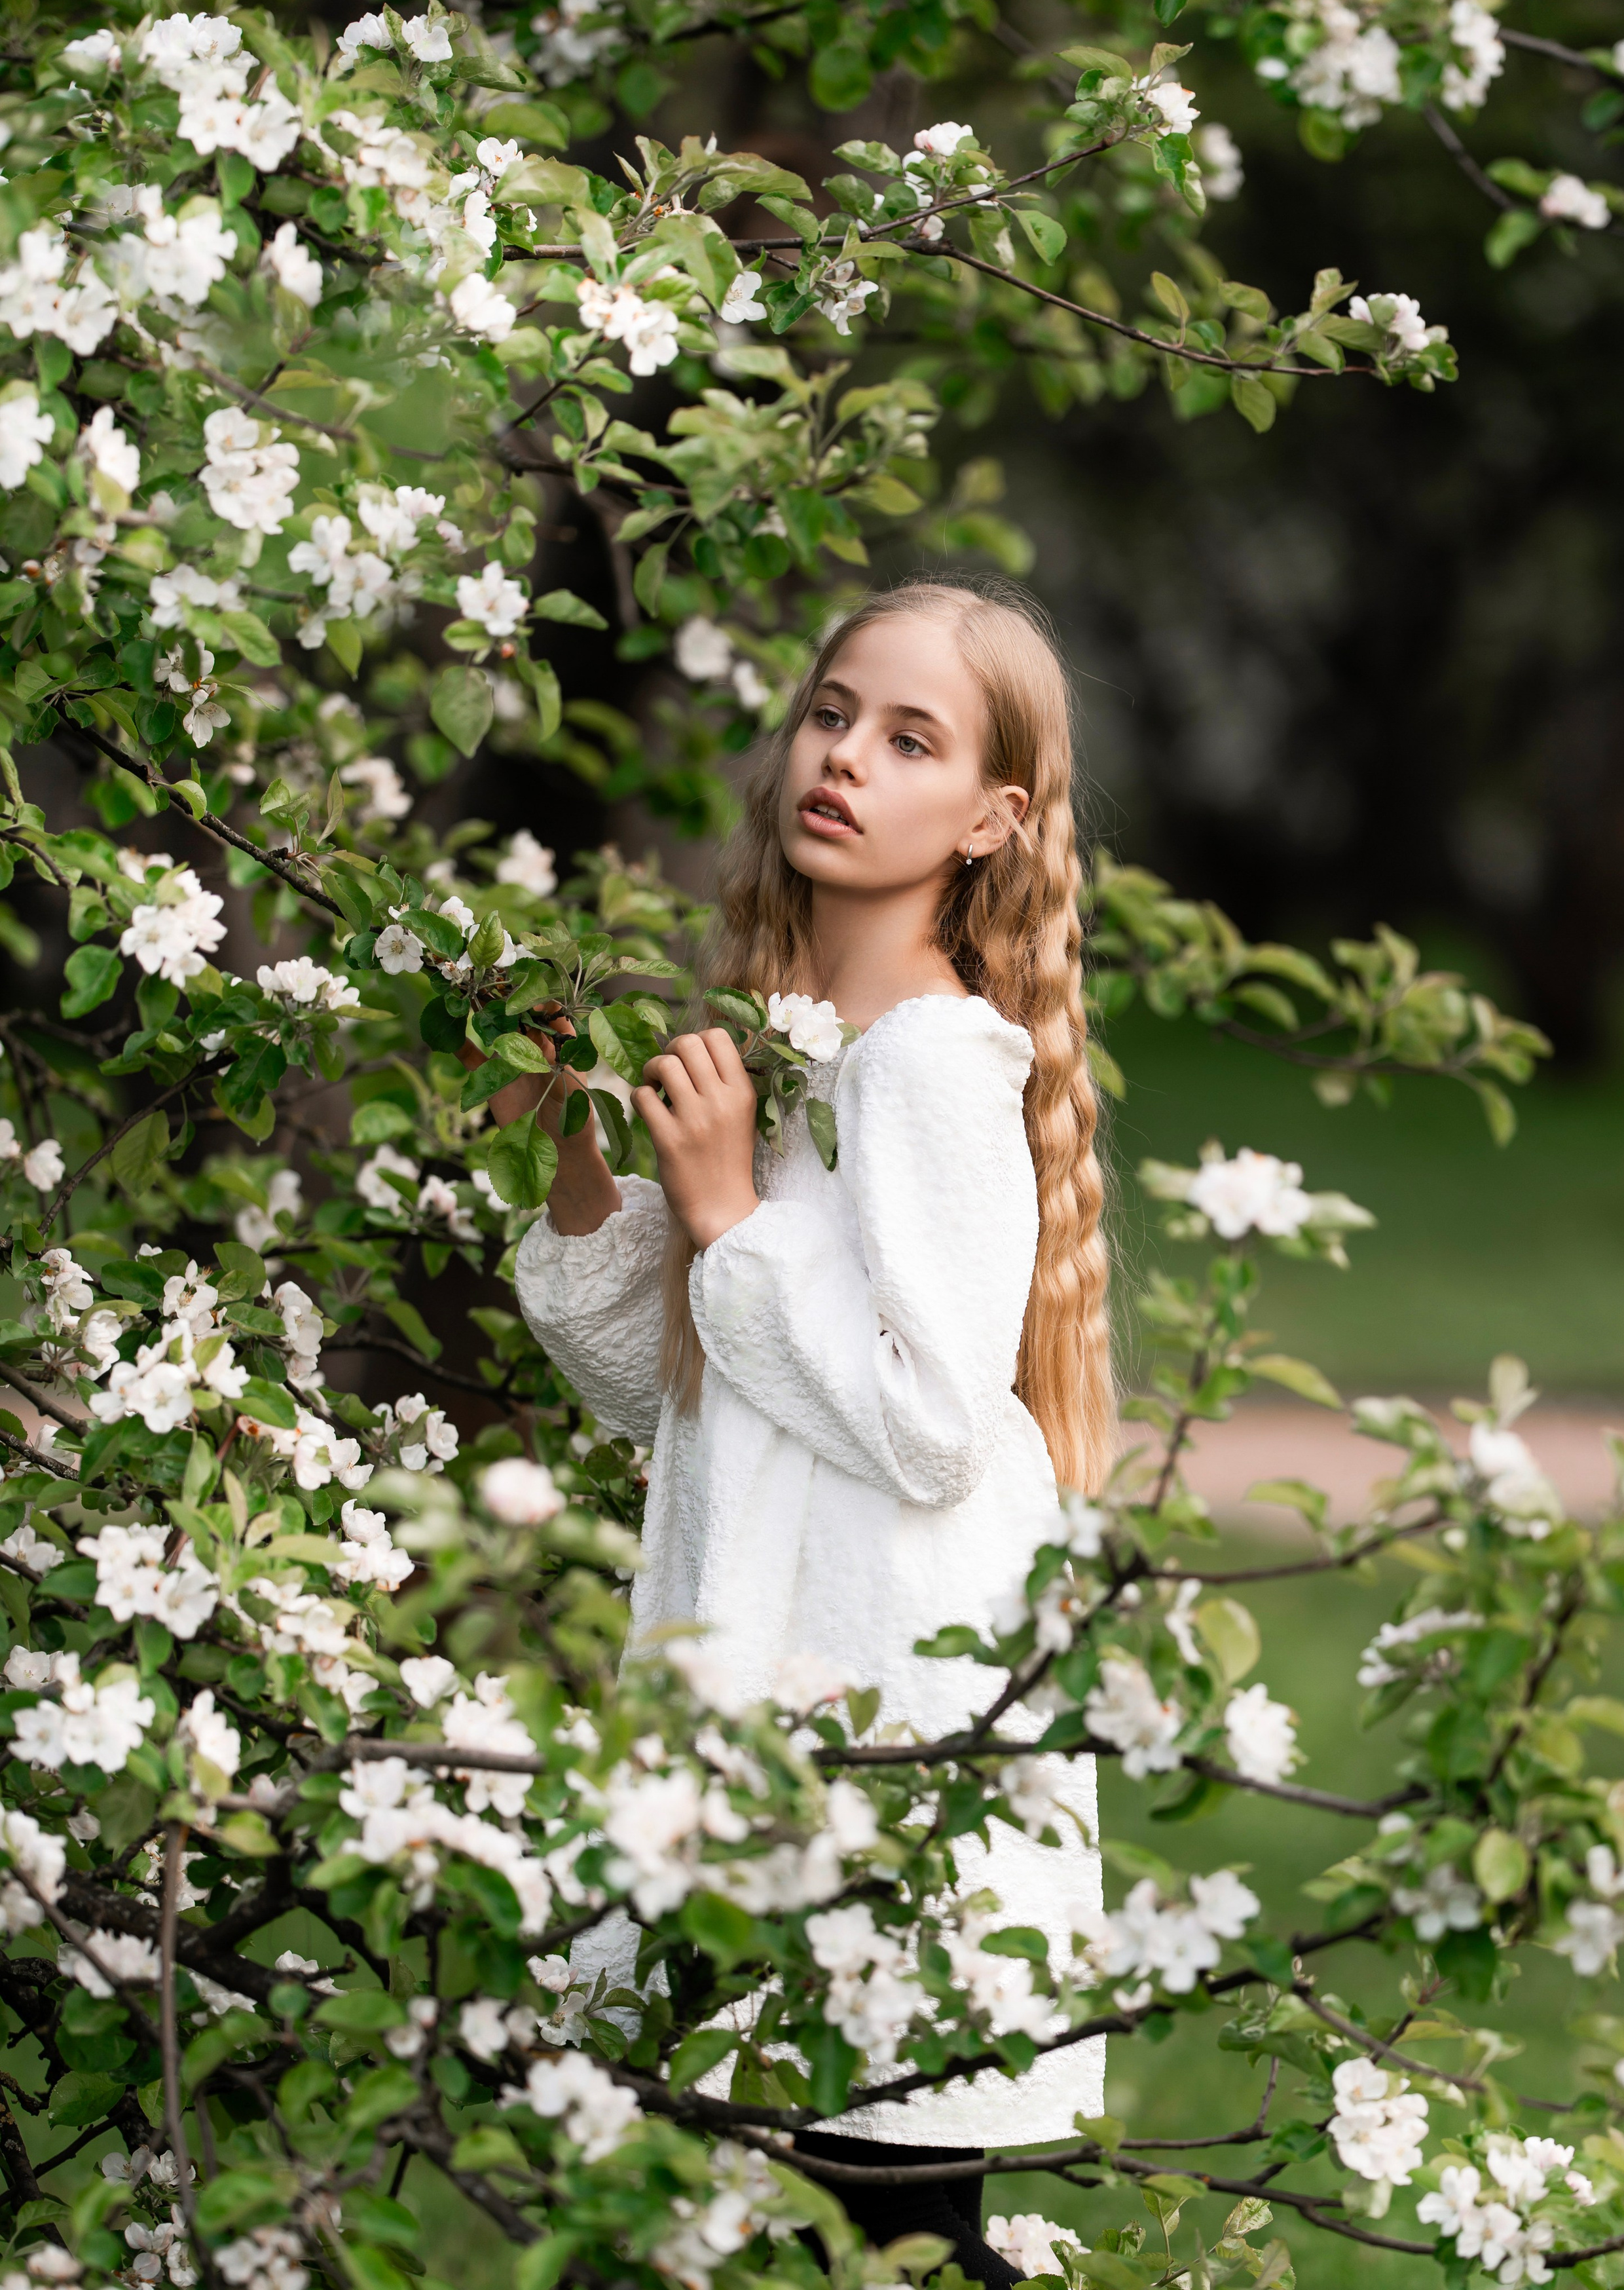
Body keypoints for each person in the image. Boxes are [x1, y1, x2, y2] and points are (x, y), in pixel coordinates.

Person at [483, 578, 1116, 2285]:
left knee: (888, 2238)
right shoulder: (799, 1047)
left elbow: (924, 1425)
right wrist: (586, 1160)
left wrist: (726, 1211)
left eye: (912, 739)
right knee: (760, 2230)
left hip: (873, 1714)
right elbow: (676, 1394)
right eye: (833, 712)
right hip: (761, 1700)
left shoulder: (922, 1065)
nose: (846, 757)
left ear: (992, 819)